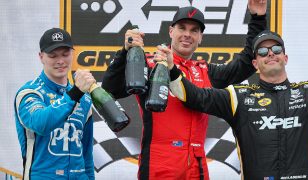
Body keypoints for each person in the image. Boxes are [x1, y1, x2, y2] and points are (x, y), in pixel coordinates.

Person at [162, 9, 308, 180]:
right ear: (255, 64)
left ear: (285, 57)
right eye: (263, 52)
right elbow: (193, 96)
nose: (270, 54)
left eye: (276, 49)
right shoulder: (237, 97)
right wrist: (172, 69)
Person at [101, 0, 267, 179]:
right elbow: (111, 89)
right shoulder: (151, 64)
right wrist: (125, 52)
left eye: (194, 30)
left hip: (197, 164)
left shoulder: (206, 71)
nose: (187, 34)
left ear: (201, 37)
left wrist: (258, 17)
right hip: (160, 162)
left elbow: (246, 64)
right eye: (182, 28)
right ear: (171, 31)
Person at [14, 28, 96, 180]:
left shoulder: (84, 99)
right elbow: (41, 123)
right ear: (41, 57)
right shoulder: (29, 93)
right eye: (53, 55)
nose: (60, 61)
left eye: (65, 54)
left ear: (73, 54)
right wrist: (74, 94)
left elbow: (87, 155)